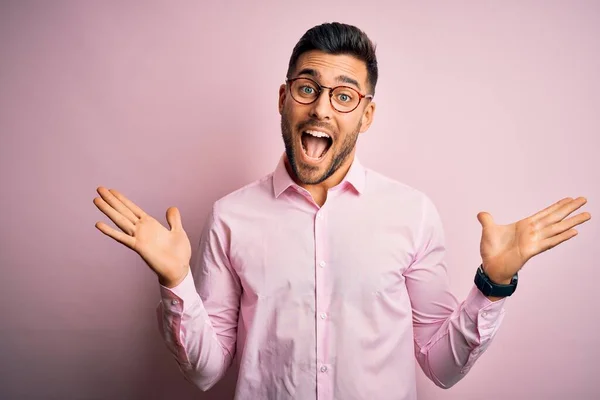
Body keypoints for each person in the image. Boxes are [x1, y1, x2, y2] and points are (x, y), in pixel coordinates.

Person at [93, 22, 591, 400]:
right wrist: (177, 282)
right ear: (285, 99)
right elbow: (206, 371)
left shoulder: (412, 213)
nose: (322, 109)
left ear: (366, 114)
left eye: (344, 96)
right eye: (308, 89)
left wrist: (494, 284)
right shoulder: (230, 218)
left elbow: (441, 366)